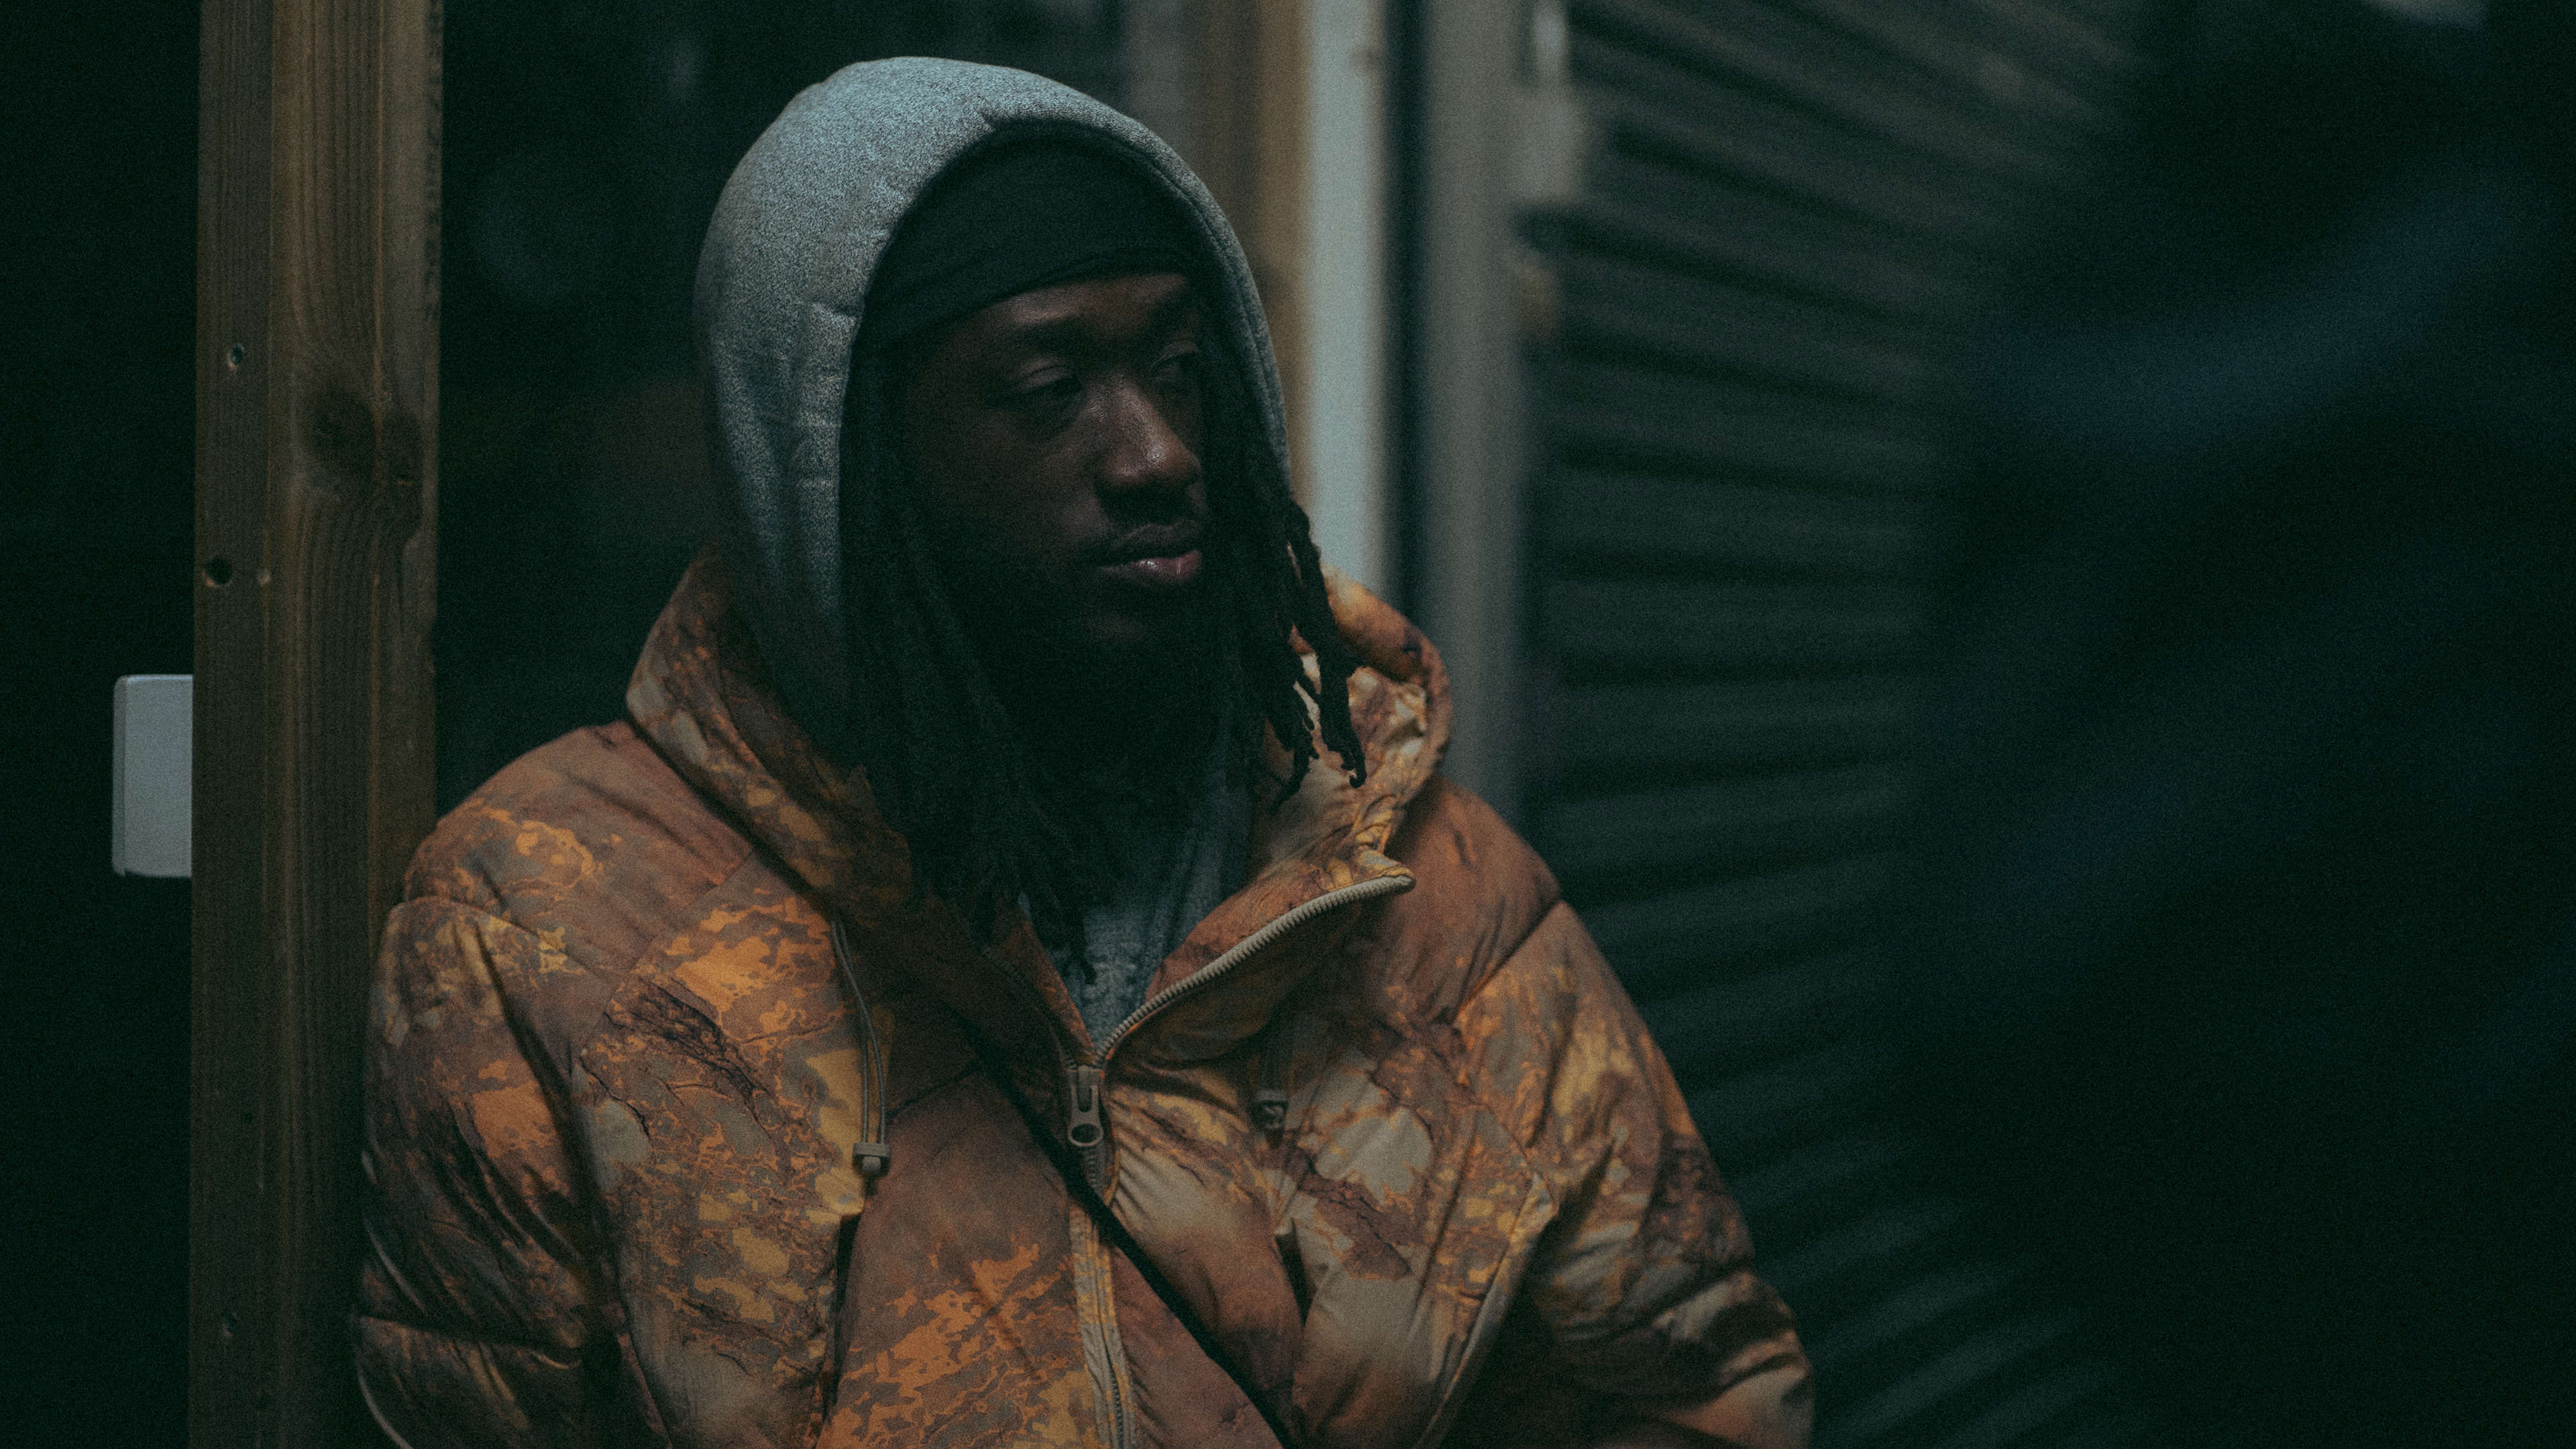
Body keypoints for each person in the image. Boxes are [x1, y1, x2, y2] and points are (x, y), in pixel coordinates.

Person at [353, 58, 1811, 1449]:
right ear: (844, 459)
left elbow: (1700, 1396)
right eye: (1050, 389)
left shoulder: (1427, 899)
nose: (1158, 453)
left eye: (1178, 370)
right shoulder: (549, 925)